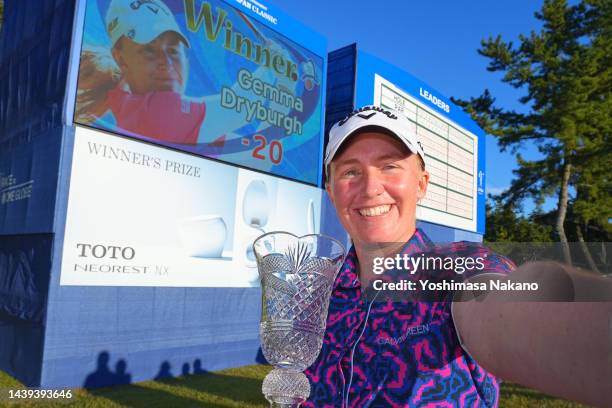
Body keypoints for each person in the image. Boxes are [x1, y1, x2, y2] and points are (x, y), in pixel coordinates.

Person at [303, 105, 612, 407]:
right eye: (351, 171)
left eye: (389, 166)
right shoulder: (314, 288)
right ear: (331, 192)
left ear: (421, 184)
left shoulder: (457, 268)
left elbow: (502, 305)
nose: (370, 188)